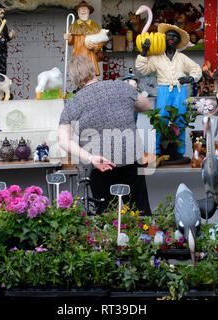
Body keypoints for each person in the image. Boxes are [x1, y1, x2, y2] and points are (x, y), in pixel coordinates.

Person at [58, 54, 152, 215]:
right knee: (140, 212)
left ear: (74, 79)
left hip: (99, 164)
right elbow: (146, 105)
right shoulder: (121, 87)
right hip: (131, 158)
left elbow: (63, 140)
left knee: (107, 216)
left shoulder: (73, 104)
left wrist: (89, 158)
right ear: (94, 70)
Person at [135, 23, 202, 164]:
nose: (171, 38)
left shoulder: (182, 58)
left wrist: (191, 78)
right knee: (162, 119)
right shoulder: (156, 57)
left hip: (180, 90)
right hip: (164, 90)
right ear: (163, 38)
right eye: (169, 35)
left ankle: (178, 151)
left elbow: (196, 68)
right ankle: (160, 150)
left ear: (178, 41)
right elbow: (143, 69)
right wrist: (144, 53)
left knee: (181, 119)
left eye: (175, 36)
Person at [63, 1, 105, 76]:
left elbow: (101, 41)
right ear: (78, 12)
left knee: (91, 77)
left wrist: (95, 46)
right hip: (78, 56)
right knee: (79, 76)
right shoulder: (73, 26)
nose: (83, 11)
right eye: (81, 9)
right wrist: (68, 38)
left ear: (89, 11)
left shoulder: (95, 26)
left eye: (85, 9)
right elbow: (71, 42)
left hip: (90, 56)